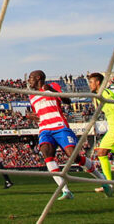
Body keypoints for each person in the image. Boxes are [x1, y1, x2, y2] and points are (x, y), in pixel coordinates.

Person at [25, 70, 107, 200]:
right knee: (47, 154)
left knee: (73, 156)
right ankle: (65, 190)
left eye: (30, 78)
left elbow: (67, 101)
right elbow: (36, 114)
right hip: (44, 129)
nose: (29, 80)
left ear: (38, 78)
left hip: (59, 126)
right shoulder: (31, 96)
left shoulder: (53, 86)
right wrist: (29, 116)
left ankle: (102, 179)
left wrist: (52, 90)